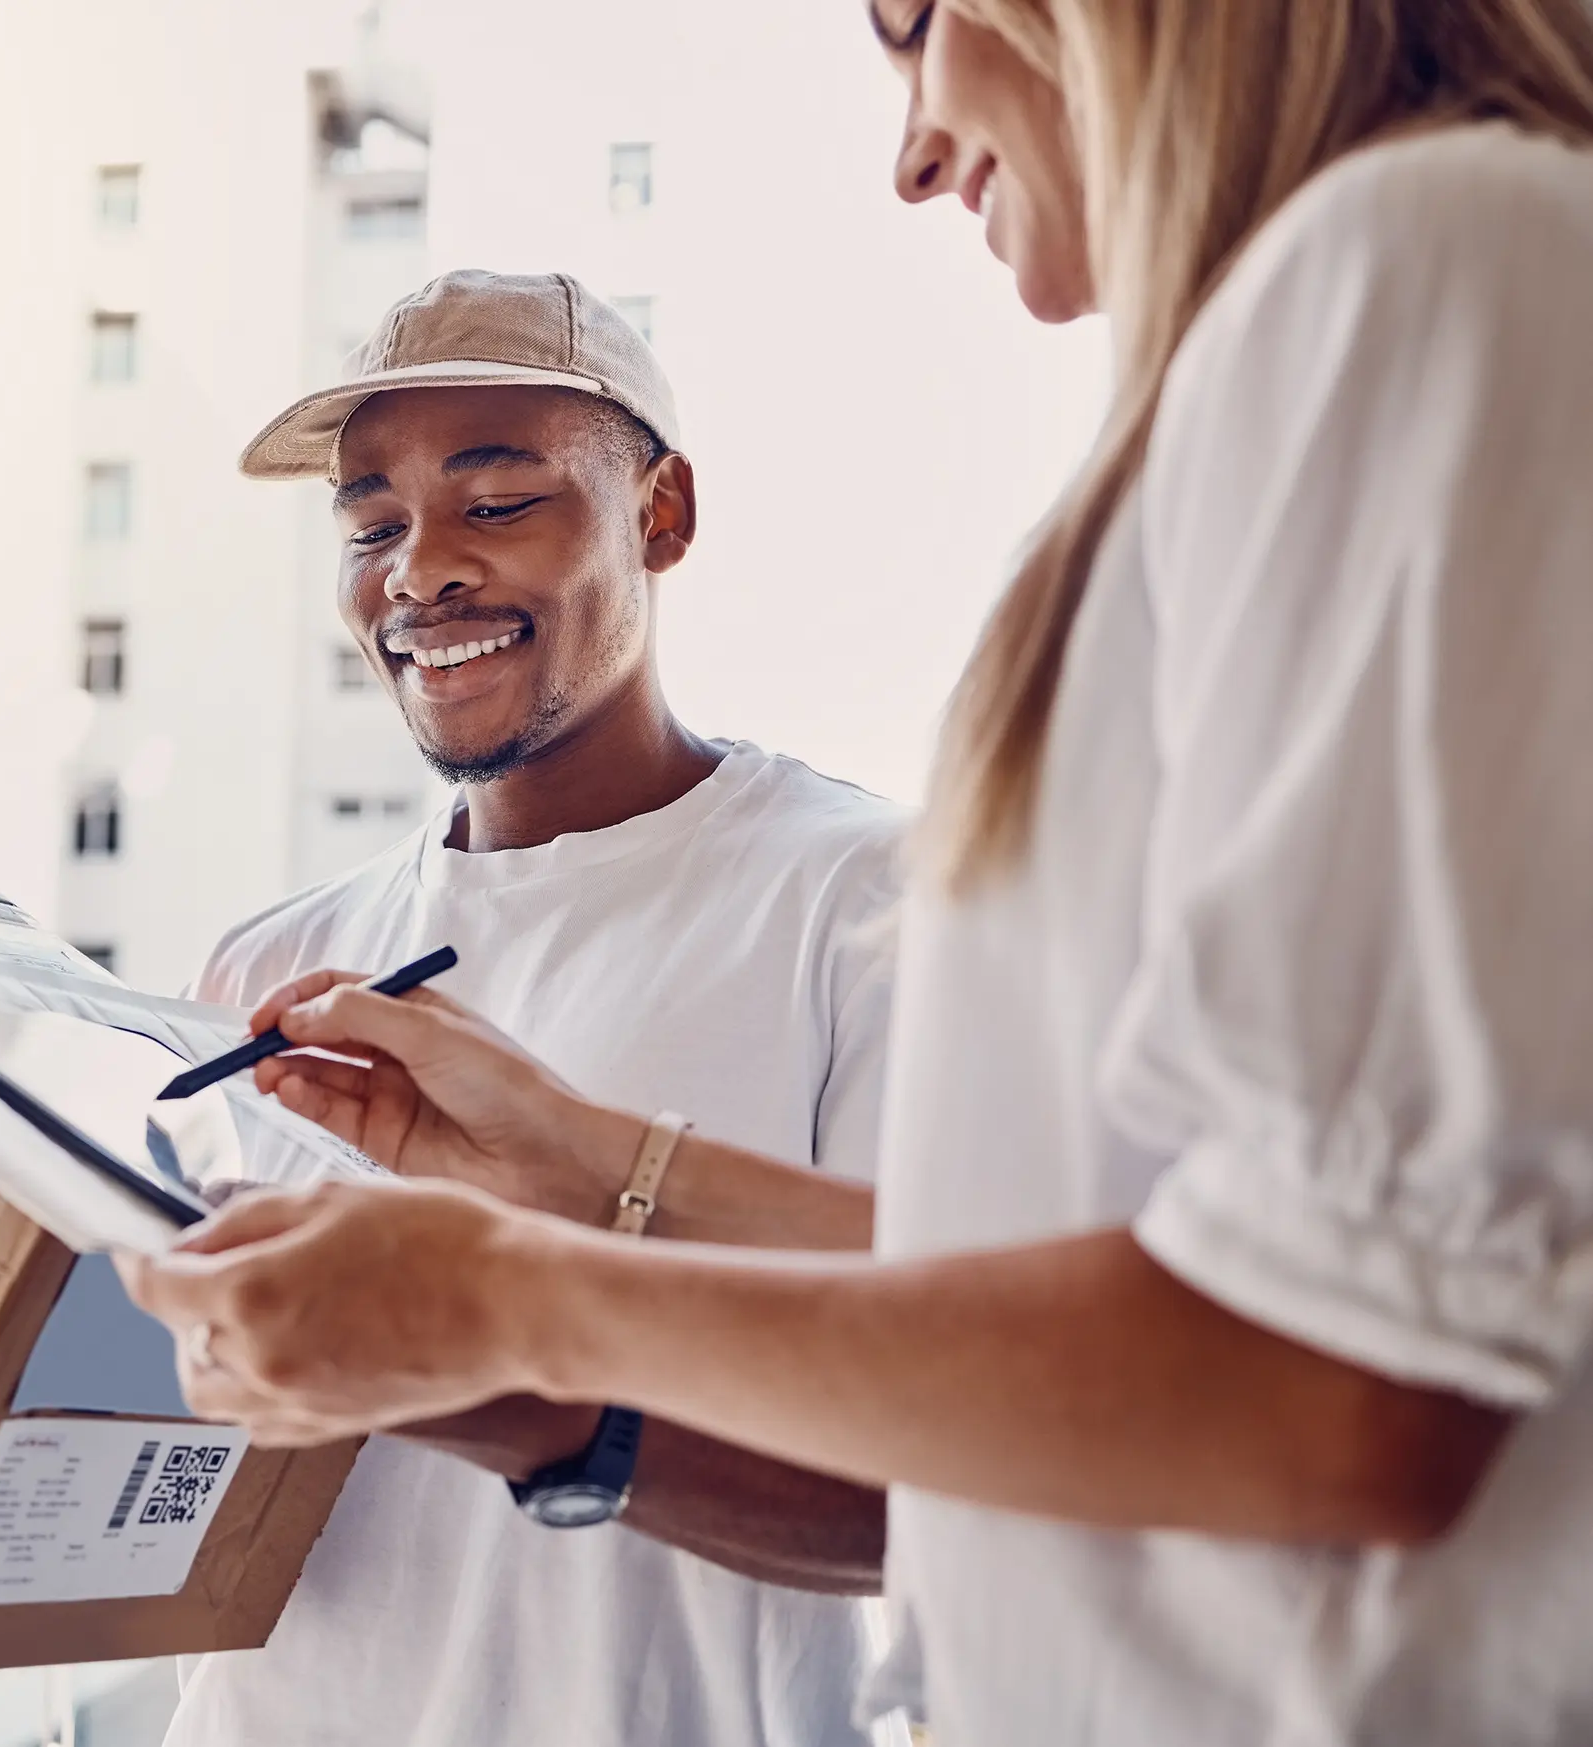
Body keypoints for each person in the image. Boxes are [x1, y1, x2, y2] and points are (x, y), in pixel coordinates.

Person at [117, 5, 1593, 1745]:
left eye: (915, 23)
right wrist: (586, 1160)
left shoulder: (1417, 261)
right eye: (372, 524)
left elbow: (1346, 1388)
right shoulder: (1288, 355)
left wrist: (505, 1308)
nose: (910, 146)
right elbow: (1111, 1272)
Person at [0, 271, 913, 1747]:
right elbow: (138, 1505)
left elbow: (940, 1497)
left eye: (497, 503)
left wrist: (491, 1374)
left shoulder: (862, 902)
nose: (418, 573)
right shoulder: (267, 974)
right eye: (370, 526)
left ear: (660, 513)